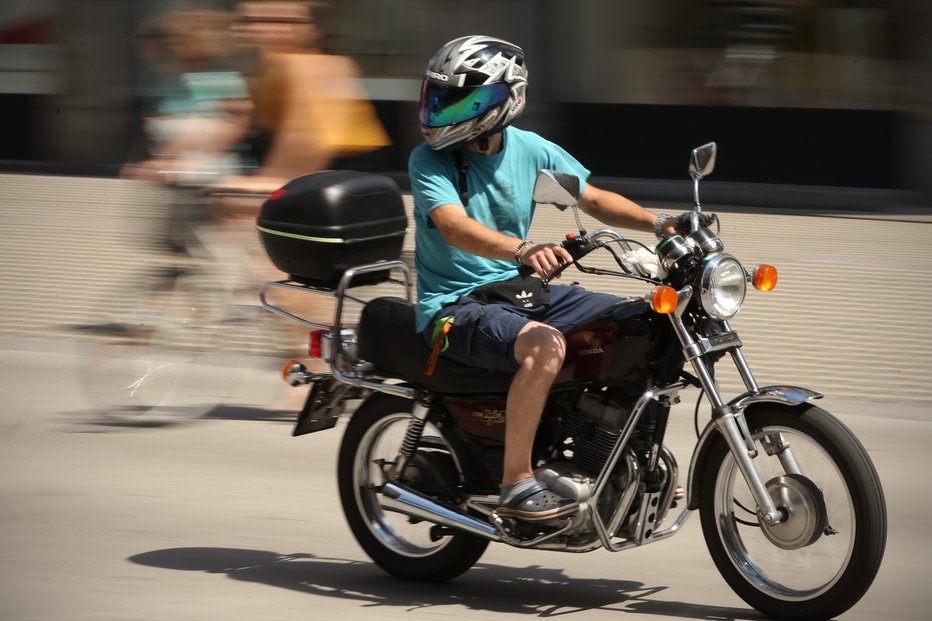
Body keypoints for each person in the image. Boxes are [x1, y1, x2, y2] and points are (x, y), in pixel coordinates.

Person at [408, 35, 678, 523]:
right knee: (546, 347)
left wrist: (662, 225)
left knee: (643, 321)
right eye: (441, 97)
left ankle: (618, 455)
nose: (445, 109)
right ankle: (516, 481)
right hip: (456, 303)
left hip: (516, 294)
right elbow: (453, 226)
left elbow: (590, 200)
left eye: (464, 99)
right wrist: (523, 248)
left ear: (506, 98)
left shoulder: (530, 150)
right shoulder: (431, 161)